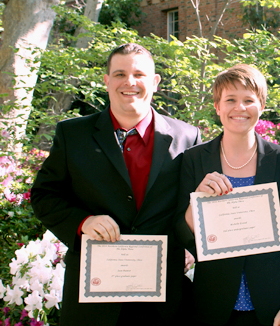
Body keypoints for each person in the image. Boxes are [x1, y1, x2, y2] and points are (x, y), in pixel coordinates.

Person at [30, 43, 201, 326]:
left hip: (163, 299)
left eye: (139, 74)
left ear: (155, 82)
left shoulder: (187, 137)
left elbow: (192, 206)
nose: (129, 82)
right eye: (120, 74)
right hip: (94, 300)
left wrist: (187, 244)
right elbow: (43, 195)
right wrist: (83, 222)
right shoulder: (73, 134)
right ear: (107, 80)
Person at [175, 64, 280, 326]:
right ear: (218, 107)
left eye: (249, 100)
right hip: (212, 302)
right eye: (230, 100)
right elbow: (181, 232)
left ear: (261, 106)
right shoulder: (194, 159)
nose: (240, 108)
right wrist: (196, 202)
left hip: (269, 306)